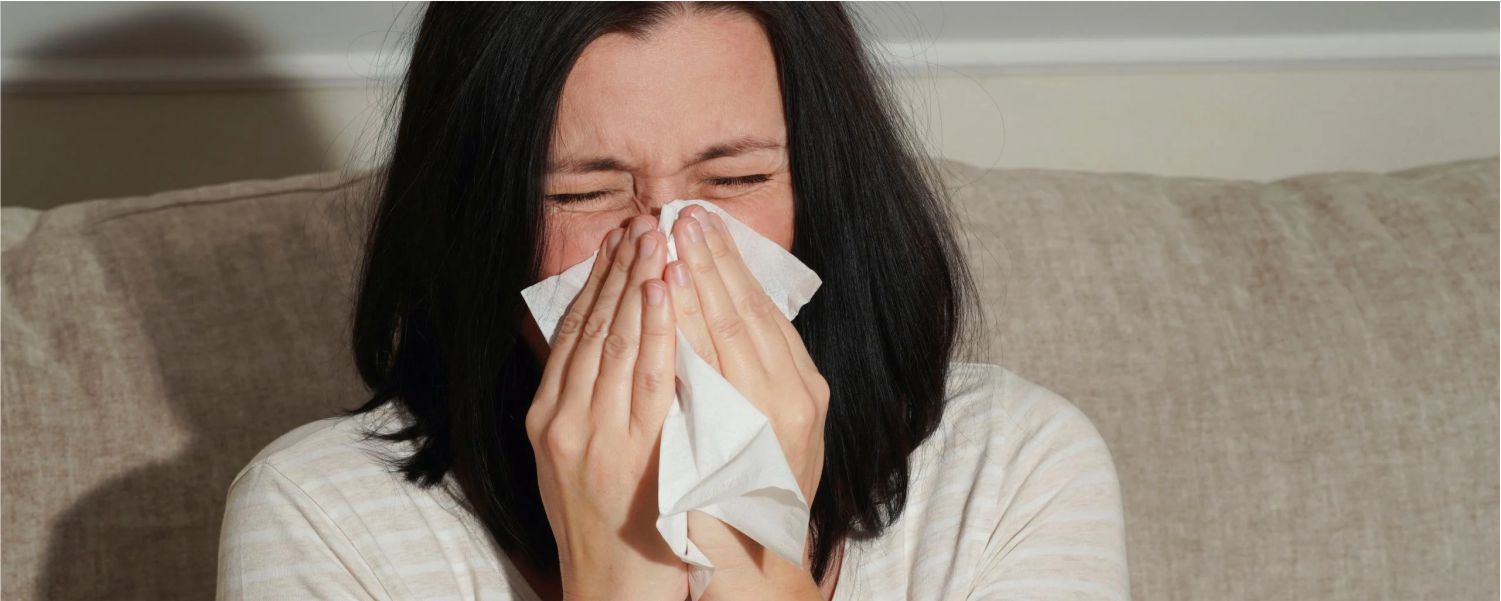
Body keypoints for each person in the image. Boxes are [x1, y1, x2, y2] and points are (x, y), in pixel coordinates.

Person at [216, 3, 1130, 600]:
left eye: (734, 178)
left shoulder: (1009, 471)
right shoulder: (322, 518)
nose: (666, 253)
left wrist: (759, 556)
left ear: (824, 194)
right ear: (478, 222)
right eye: (579, 194)